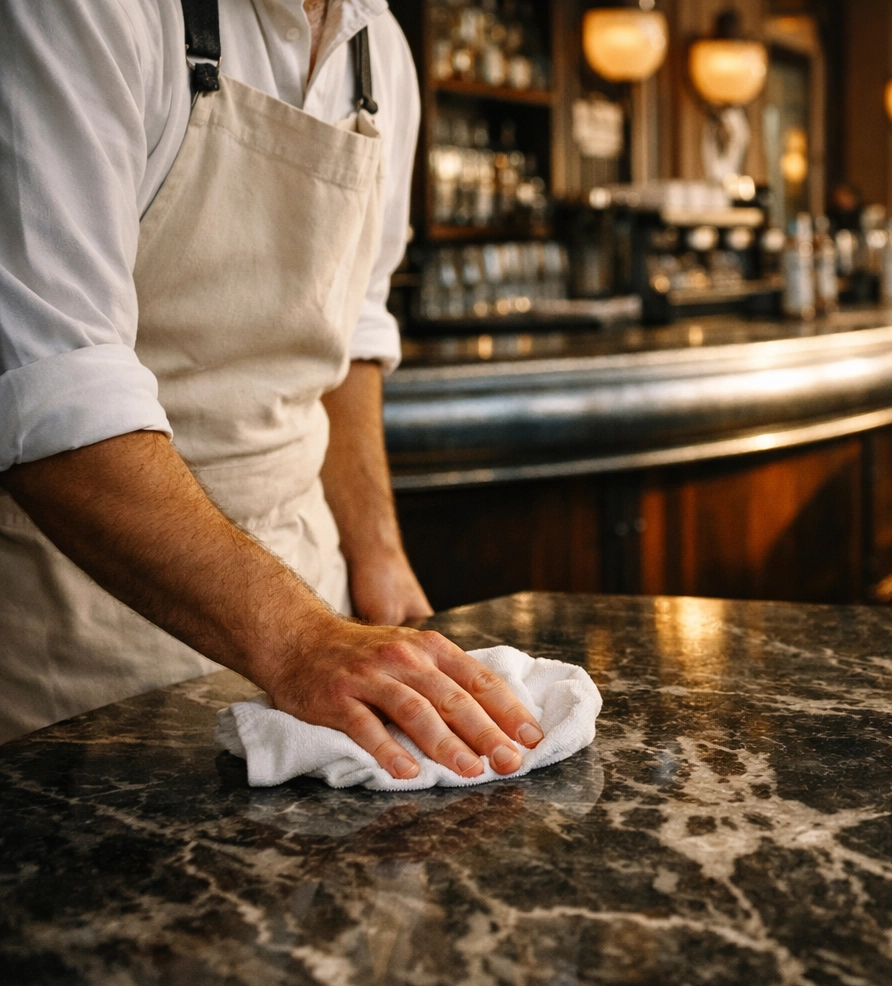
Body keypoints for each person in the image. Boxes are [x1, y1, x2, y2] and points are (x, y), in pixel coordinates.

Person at [0, 0, 546, 777]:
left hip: (310, 597)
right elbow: (49, 382)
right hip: (83, 642)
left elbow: (350, 327)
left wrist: (376, 558)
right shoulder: (85, 12)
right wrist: (295, 640)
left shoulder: (379, 51)